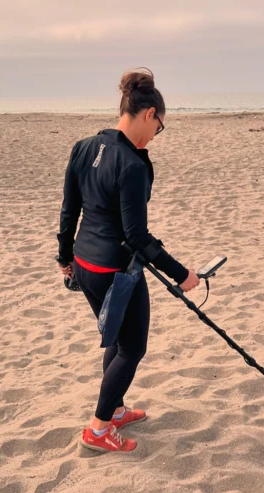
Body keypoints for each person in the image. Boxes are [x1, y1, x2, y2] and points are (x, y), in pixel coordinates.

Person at [56, 68, 200, 454]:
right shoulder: (133, 165)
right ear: (149, 114)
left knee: (119, 340)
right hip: (115, 272)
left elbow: (69, 210)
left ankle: (115, 410)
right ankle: (99, 429)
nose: (156, 136)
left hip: (86, 264)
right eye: (160, 128)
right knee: (132, 348)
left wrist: (64, 257)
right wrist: (181, 273)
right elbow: (137, 237)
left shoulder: (84, 146)